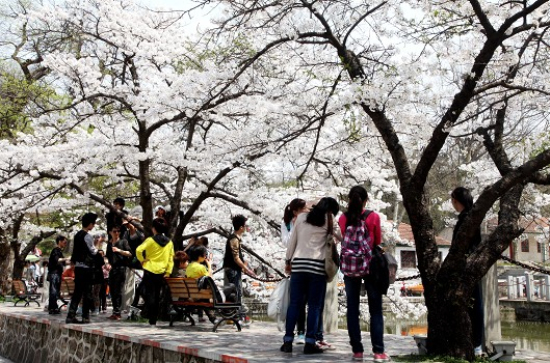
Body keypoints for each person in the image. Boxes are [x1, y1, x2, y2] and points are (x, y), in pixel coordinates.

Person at [281, 197, 340, 355]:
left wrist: (288, 261)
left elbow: (292, 241)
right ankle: (310, 343)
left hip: (299, 264)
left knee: (294, 304)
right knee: (314, 306)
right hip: (317, 266)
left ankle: (287, 341)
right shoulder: (329, 219)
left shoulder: (300, 218)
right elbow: (338, 237)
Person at [338, 186, 389, 362]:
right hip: (371, 265)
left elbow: (344, 238)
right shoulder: (373, 217)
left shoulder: (343, 218)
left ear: (349, 200)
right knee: (375, 309)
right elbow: (378, 240)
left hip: (350, 267)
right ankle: (378, 352)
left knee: (352, 309)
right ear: (366, 200)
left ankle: (357, 351)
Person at [451, 186, 484, 356]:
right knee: (473, 304)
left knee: (472, 305)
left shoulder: (466, 218)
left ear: (457, 200)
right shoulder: (471, 217)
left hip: (466, 267)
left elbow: (461, 244)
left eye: (453, 200)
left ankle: (475, 343)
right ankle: (474, 342)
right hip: (471, 266)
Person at [136, 218, 174, 326]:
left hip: (149, 269)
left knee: (146, 292)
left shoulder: (150, 240)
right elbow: (171, 258)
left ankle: (148, 313)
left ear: (154, 229)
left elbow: (138, 250)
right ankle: (153, 319)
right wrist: (168, 271)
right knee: (157, 295)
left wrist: (142, 260)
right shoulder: (169, 243)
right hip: (162, 271)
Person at [280, 198, 308, 344]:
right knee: (298, 300)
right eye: (303, 208)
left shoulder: (306, 221)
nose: (306, 211)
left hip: (305, 260)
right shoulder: (287, 224)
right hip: (295, 263)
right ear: (296, 210)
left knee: (305, 300)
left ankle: (305, 332)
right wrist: (295, 228)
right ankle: (299, 332)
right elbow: (286, 242)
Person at [66, 212, 99, 324]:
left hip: (78, 268)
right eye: (93, 223)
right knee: (87, 292)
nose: (93, 226)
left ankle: (71, 315)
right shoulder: (87, 236)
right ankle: (85, 316)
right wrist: (99, 248)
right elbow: (93, 251)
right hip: (86, 268)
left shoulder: (77, 235)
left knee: (77, 292)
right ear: (89, 224)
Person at [223, 215, 256, 323]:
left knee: (233, 293)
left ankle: (233, 317)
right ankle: (239, 317)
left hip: (232, 269)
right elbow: (236, 258)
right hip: (232, 270)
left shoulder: (235, 238)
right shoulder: (234, 239)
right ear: (241, 227)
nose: (246, 228)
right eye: (245, 226)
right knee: (237, 293)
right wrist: (247, 269)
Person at [106, 225, 132, 320]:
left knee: (118, 290)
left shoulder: (123, 242)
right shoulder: (109, 244)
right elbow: (108, 257)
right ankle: (115, 311)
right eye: (115, 231)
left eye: (118, 231)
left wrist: (119, 250)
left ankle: (118, 312)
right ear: (110, 232)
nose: (117, 233)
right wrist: (107, 264)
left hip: (121, 268)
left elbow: (129, 253)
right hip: (113, 269)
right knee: (112, 290)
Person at [48, 235, 68, 314]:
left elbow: (63, 263)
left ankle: (54, 307)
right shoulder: (56, 250)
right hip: (54, 274)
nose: (65, 244)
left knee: (56, 291)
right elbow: (57, 260)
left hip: (57, 274)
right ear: (59, 241)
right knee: (54, 291)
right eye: (64, 242)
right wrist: (67, 258)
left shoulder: (59, 251)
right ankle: (53, 308)